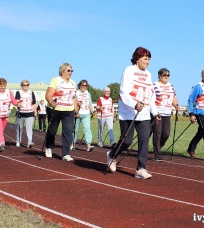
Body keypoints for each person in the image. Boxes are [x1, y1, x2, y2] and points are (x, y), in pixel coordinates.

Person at [106, 47, 160, 179]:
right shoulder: (128, 70)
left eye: (149, 59)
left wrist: (155, 112)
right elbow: (124, 92)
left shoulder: (148, 74)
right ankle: (112, 155)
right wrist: (134, 104)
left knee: (144, 139)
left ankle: (141, 168)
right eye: (145, 59)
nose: (147, 62)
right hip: (128, 112)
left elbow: (150, 95)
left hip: (144, 113)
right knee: (127, 141)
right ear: (137, 58)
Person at [44, 63, 78, 161]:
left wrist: (76, 109)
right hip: (56, 109)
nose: (70, 72)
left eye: (72, 71)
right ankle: (49, 147)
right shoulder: (56, 80)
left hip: (69, 111)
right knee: (52, 131)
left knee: (68, 131)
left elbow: (74, 97)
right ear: (62, 71)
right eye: (68, 70)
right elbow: (48, 94)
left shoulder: (73, 83)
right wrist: (51, 102)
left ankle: (65, 154)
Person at [152, 68, 180, 162]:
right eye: (164, 75)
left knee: (166, 134)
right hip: (157, 113)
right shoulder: (154, 85)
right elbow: (151, 100)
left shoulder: (171, 86)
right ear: (159, 75)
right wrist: (154, 113)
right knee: (158, 133)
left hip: (167, 113)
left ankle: (158, 148)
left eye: (168, 75)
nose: (166, 77)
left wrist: (176, 106)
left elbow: (174, 98)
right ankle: (157, 154)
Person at [71, 79, 95, 152]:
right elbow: (73, 102)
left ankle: (88, 145)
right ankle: (72, 144)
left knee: (87, 129)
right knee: (75, 130)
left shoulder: (88, 93)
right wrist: (77, 105)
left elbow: (90, 104)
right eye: (83, 85)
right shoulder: (76, 93)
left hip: (86, 113)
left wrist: (91, 111)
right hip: (77, 114)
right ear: (80, 86)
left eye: (86, 85)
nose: (84, 87)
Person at [15, 80, 37, 148]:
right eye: (24, 85)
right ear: (21, 86)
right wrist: (18, 104)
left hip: (29, 113)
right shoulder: (19, 92)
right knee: (20, 127)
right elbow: (16, 101)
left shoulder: (31, 93)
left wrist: (35, 113)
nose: (26, 86)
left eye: (27, 85)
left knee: (29, 128)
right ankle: (18, 141)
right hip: (21, 113)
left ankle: (29, 141)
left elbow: (34, 103)